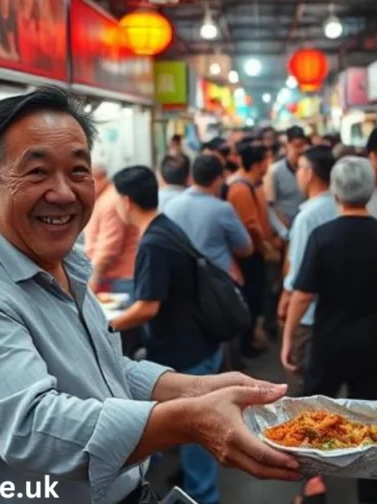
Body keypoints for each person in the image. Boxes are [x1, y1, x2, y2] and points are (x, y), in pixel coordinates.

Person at [0, 87, 299, 504]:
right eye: (37, 172)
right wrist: (189, 420)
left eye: (78, 171)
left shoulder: (62, 264)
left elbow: (103, 368)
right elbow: (33, 428)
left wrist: (197, 388)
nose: (64, 193)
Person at [282, 156, 377, 504]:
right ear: (368, 191)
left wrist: (289, 337)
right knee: (372, 424)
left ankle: (314, 483)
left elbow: (303, 295)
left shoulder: (322, 236)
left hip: (328, 343)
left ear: (335, 191)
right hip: (376, 346)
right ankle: (369, 497)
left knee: (315, 414)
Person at [106, 166, 223, 504]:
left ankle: (204, 497)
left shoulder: (154, 242)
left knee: (196, 430)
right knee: (189, 429)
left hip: (184, 350)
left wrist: (106, 325)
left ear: (126, 201)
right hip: (196, 341)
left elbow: (147, 307)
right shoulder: (166, 227)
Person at [277, 145, 338, 392]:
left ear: (310, 174)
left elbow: (299, 277)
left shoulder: (307, 217)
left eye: (300, 169)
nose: (297, 175)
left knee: (306, 388)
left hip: (309, 314)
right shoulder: (338, 206)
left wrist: (287, 328)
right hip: (334, 312)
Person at [164, 155, 253, 283]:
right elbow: (245, 248)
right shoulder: (222, 209)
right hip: (218, 281)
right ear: (218, 179)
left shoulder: (171, 206)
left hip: (182, 279)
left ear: (191, 177)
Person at [228, 142, 276, 358]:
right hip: (248, 256)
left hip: (256, 253)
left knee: (256, 298)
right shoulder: (240, 189)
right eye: (266, 160)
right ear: (257, 164)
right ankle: (246, 346)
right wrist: (264, 246)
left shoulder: (253, 185)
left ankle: (250, 340)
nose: (269, 164)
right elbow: (250, 226)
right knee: (251, 300)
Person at [85, 166, 138, 295]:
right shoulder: (106, 198)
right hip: (117, 279)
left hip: (119, 281)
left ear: (95, 179)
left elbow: (108, 249)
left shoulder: (110, 201)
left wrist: (92, 282)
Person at [265, 125, 309, 227]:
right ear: (287, 145)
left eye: (303, 145)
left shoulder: (311, 169)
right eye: (296, 146)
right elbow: (271, 205)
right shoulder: (275, 171)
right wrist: (283, 232)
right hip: (287, 226)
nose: (300, 150)